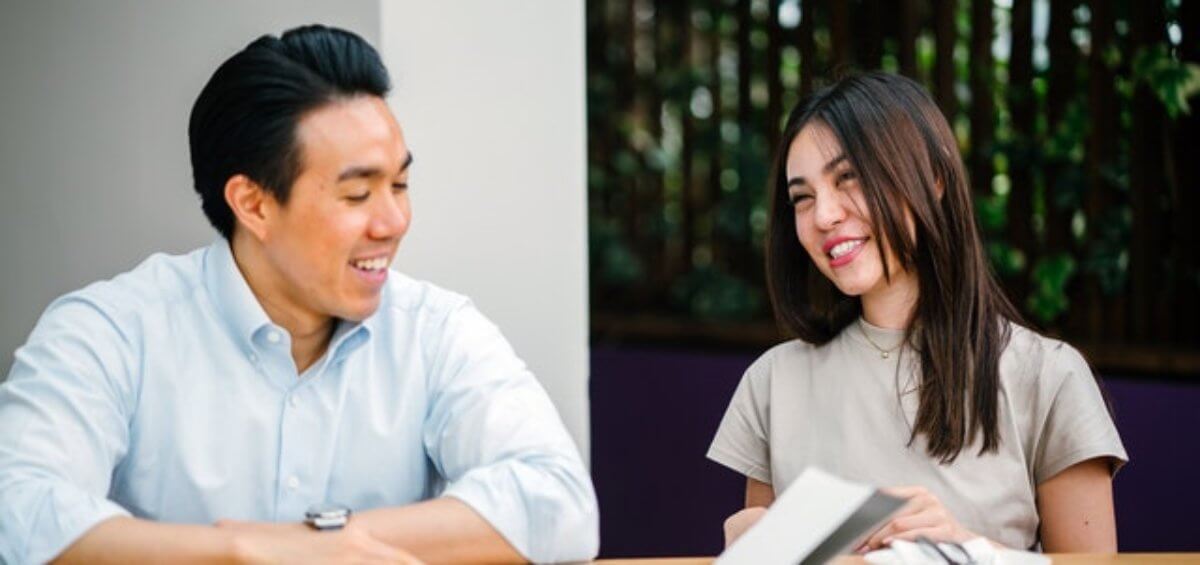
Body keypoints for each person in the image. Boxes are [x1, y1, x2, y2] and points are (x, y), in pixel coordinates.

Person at [0, 24, 597, 564]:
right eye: (358, 195)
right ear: (253, 204)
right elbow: (17, 508)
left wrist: (325, 543)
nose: (393, 222)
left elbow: (559, 502)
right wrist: (240, 551)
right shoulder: (111, 331)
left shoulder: (435, 330)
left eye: (401, 184)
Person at [707, 72, 1126, 553]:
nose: (824, 216)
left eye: (849, 178)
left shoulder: (1048, 377)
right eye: (802, 198)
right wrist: (753, 549)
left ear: (934, 178)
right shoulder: (773, 383)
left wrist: (964, 549)